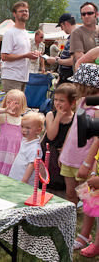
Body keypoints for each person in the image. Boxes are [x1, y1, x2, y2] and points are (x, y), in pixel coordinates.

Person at [58, 64, 99, 251]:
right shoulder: (82, 101)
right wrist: (65, 149)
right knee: (70, 194)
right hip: (70, 156)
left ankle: (84, 234)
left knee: (89, 201)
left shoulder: (96, 107)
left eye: (79, 83)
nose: (75, 87)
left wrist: (87, 162)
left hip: (84, 160)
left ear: (88, 85)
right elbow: (74, 129)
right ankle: (68, 227)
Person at [41, 83, 76, 191]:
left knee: (62, 186)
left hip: (64, 155)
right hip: (49, 153)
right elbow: (51, 136)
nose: (57, 103)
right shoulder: (51, 115)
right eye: (56, 100)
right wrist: (58, 117)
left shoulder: (75, 118)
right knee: (48, 183)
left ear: (72, 102)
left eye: (62, 100)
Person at [0, 1, 40, 92]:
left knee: (20, 105)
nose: (24, 13)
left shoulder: (26, 33)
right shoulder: (10, 33)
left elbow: (24, 55)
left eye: (26, 11)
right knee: (13, 105)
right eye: (21, 11)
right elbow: (4, 56)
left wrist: (33, 55)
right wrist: (26, 55)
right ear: (14, 14)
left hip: (23, 77)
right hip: (11, 77)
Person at [0, 89, 27, 175]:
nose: (12, 105)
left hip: (15, 152)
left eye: (16, 103)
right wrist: (5, 110)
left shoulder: (23, 120)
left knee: (12, 171)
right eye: (9, 102)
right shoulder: (4, 117)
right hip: (3, 149)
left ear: (22, 105)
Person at [8, 112, 45, 184]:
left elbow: (31, 166)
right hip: (16, 176)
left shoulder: (35, 148)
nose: (24, 130)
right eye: (22, 126)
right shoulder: (25, 140)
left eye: (28, 128)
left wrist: (24, 181)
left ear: (38, 130)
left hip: (24, 182)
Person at [45, 13, 76, 86]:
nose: (62, 29)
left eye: (61, 26)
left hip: (68, 78)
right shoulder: (72, 37)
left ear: (66, 23)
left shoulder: (75, 37)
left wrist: (56, 60)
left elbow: (73, 61)